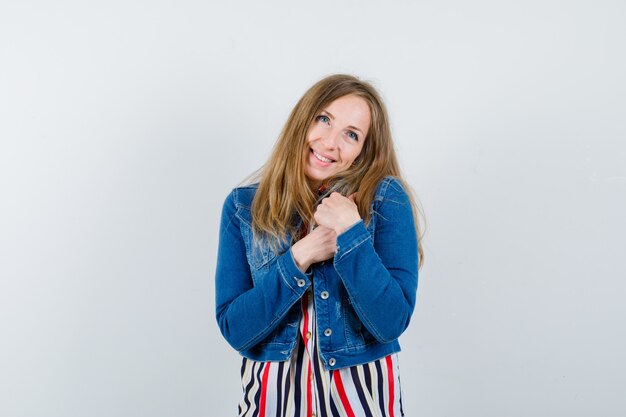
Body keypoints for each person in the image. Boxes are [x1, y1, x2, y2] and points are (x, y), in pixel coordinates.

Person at [215, 74, 424, 417]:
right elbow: (236, 330)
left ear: (364, 150)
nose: (330, 142)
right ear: (304, 119)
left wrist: (352, 232)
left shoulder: (386, 199)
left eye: (351, 135)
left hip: (359, 401)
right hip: (271, 401)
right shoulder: (242, 208)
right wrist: (300, 255)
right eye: (324, 119)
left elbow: (391, 322)